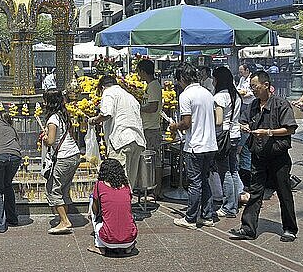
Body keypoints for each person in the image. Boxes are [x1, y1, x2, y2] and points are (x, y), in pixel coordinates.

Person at [229, 71, 298, 242]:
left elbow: (290, 128)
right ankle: (248, 228)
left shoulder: (281, 104)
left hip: (278, 156)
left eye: (255, 87)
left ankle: (290, 228)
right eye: (252, 87)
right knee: (255, 192)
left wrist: (268, 132)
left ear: (266, 85)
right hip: (258, 156)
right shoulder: (253, 105)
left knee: (284, 192)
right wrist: (244, 126)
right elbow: (243, 120)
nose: (253, 90)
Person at [169, 63, 217, 230]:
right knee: (204, 180)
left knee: (195, 182)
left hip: (195, 145)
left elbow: (186, 123)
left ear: (182, 78)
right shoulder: (207, 93)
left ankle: (190, 218)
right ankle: (207, 215)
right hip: (210, 144)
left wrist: (175, 126)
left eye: (178, 80)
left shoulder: (186, 95)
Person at [88, 75, 146, 190]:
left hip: (121, 140)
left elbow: (106, 113)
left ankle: (119, 207)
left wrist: (94, 120)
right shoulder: (130, 96)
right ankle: (127, 206)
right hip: (137, 141)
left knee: (117, 181)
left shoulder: (108, 92)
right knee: (129, 181)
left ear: (103, 87)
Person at [42, 88, 81, 234]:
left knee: (52, 189)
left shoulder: (52, 120)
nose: (43, 103)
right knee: (64, 188)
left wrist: (45, 139)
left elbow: (51, 141)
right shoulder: (62, 115)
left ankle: (65, 221)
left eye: (45, 100)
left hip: (64, 157)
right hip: (74, 154)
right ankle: (63, 219)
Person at [87, 159, 137, 256]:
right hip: (130, 238)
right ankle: (127, 247)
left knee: (92, 201)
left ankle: (100, 247)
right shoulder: (126, 185)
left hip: (108, 240)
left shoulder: (99, 185)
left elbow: (95, 209)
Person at [212, 67, 243, 218]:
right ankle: (234, 203)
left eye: (214, 78)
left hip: (223, 137)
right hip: (235, 134)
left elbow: (218, 121)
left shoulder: (219, 97)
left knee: (225, 172)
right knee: (234, 170)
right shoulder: (236, 95)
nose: (212, 81)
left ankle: (229, 207)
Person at [0, 109, 22, 233]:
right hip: (15, 157)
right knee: (8, 185)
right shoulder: (12, 129)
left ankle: (0, 224)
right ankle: (12, 218)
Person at [137, 59, 163, 198]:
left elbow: (153, 107)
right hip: (147, 127)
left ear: (142, 71)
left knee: (155, 159)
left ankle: (156, 190)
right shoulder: (150, 86)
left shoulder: (154, 86)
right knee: (149, 159)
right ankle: (148, 186)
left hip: (152, 128)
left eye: (138, 71)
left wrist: (137, 107)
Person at [237, 63, 255, 187]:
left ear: (247, 70)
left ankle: (247, 177)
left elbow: (250, 93)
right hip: (243, 105)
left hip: (249, 104)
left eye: (242, 70)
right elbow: (239, 89)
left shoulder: (252, 80)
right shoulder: (242, 79)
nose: (240, 73)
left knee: (245, 149)